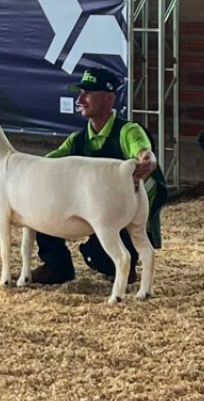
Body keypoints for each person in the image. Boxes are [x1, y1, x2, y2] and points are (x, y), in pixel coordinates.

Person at [30, 67, 168, 285]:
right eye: (80, 92)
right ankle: (56, 265)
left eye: (89, 93)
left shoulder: (128, 131)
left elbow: (144, 151)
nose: (80, 99)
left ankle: (126, 263)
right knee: (43, 209)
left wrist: (147, 161)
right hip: (88, 210)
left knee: (101, 257)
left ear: (109, 97)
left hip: (122, 214)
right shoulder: (77, 140)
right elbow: (45, 163)